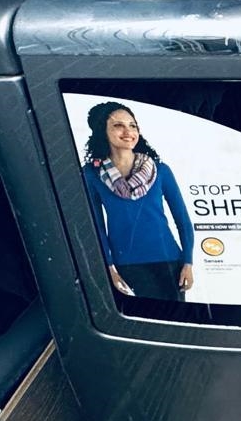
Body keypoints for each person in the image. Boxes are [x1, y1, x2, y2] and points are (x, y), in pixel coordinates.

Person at [80, 101, 195, 300]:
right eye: (118, 125)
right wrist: (108, 268)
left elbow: (182, 220)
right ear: (102, 131)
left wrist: (188, 262)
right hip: (126, 264)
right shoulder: (92, 174)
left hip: (169, 259)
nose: (128, 131)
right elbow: (95, 226)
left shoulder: (160, 170)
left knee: (176, 322)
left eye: (132, 125)